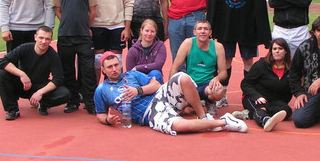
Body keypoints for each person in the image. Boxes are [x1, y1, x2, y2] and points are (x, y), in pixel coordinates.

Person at [94, 52, 248, 135]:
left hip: (160, 96)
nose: (114, 69)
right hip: (149, 114)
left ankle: (203, 116)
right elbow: (100, 114)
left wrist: (138, 90)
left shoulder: (131, 75)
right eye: (109, 67)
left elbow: (155, 84)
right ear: (103, 70)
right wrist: (107, 120)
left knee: (181, 77)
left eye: (116, 65)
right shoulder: (101, 90)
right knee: (178, 126)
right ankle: (225, 122)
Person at [207, 0, 271, 108]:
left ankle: (247, 95)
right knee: (226, 61)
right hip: (226, 26)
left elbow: (261, 1)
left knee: (248, 61)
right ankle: (223, 94)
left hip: (247, 27)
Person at [52, 0, 98, 115]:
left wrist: (86, 25)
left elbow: (93, 11)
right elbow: (57, 9)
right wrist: (65, 21)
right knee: (67, 70)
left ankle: (90, 102)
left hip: (83, 36)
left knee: (87, 71)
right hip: (65, 36)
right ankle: (72, 101)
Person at [0, 26, 70, 120]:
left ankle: (42, 104)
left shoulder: (53, 55)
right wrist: (22, 74)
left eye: (47, 39)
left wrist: (40, 92)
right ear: (35, 37)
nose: (43, 41)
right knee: (1, 74)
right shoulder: (24, 48)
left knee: (65, 94)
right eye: (41, 38)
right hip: (23, 85)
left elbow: (58, 79)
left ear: (51, 40)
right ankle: (13, 110)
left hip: (40, 86)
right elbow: (2, 62)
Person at [169, 19, 227, 115]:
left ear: (210, 32)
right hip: (190, 84)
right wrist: (170, 88)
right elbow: (175, 67)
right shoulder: (188, 43)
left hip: (207, 84)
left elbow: (224, 73)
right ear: (194, 32)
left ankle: (210, 102)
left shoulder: (218, 47)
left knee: (218, 92)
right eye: (200, 29)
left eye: (206, 29)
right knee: (180, 111)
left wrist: (216, 79)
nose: (203, 31)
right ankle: (192, 103)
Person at [239, 38, 292, 132]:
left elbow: (293, 86)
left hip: (274, 100)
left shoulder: (290, 69)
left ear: (286, 51)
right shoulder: (261, 65)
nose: (277, 51)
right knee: (260, 108)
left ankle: (249, 114)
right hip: (255, 97)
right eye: (274, 49)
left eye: (280, 49)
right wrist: (256, 96)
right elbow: (245, 83)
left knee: (287, 111)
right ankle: (265, 121)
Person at [126, 19, 167, 83]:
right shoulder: (132, 50)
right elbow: (130, 73)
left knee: (155, 73)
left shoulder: (160, 46)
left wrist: (138, 68)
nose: (149, 34)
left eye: (152, 31)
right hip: (139, 81)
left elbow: (158, 65)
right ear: (141, 31)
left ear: (156, 33)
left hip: (154, 79)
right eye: (147, 31)